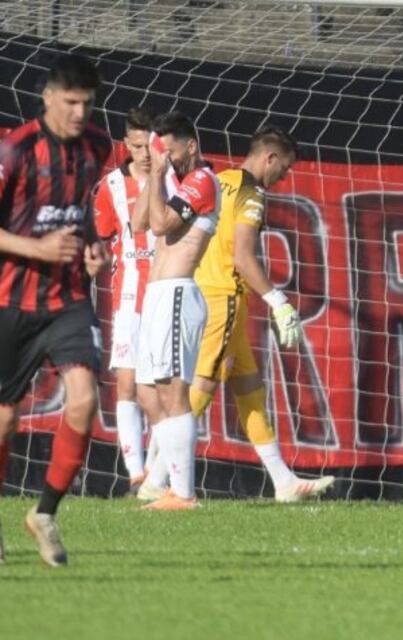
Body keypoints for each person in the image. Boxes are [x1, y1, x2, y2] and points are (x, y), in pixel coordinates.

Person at [168, 126, 333, 502]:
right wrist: (278, 301)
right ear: (270, 158)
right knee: (202, 387)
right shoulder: (253, 192)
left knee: (248, 389)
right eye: (285, 169)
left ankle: (283, 481)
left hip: (208, 291)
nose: (284, 177)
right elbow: (243, 256)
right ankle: (159, 476)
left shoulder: (219, 179)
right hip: (224, 295)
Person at [0, 53, 112, 566]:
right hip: (11, 300)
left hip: (68, 299)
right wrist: (37, 249)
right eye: (70, 102)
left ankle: (44, 512)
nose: (79, 112)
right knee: (4, 421)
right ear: (47, 97)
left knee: (84, 400)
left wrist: (93, 245)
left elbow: (80, 208)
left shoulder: (97, 146)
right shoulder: (13, 149)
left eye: (87, 103)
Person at [130, 111, 219, 511]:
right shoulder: (169, 180)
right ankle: (168, 484)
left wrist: (160, 177)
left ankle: (184, 493)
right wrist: (153, 177)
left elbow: (162, 225)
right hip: (156, 297)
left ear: (191, 145)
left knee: (174, 391)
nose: (164, 157)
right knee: (149, 393)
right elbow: (138, 222)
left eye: (170, 150)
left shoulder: (203, 180)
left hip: (178, 293)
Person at [93, 107, 158, 492]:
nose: (144, 154)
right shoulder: (110, 187)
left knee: (166, 388)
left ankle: (157, 473)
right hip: (129, 298)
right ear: (126, 145)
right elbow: (100, 236)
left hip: (169, 294)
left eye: (150, 145)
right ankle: (136, 475)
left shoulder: (175, 181)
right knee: (129, 383)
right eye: (137, 146)